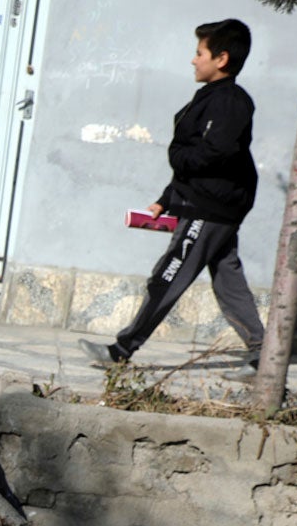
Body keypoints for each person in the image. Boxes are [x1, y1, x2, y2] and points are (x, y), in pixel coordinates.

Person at [84, 19, 265, 379]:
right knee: (229, 282)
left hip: (209, 209)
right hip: (212, 205)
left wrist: (177, 159)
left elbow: (212, 154)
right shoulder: (213, 97)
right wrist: (167, 199)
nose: (193, 60)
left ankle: (122, 350)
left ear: (222, 59)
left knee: (166, 277)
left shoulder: (230, 102)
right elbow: (199, 158)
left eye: (200, 53)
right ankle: (265, 357)